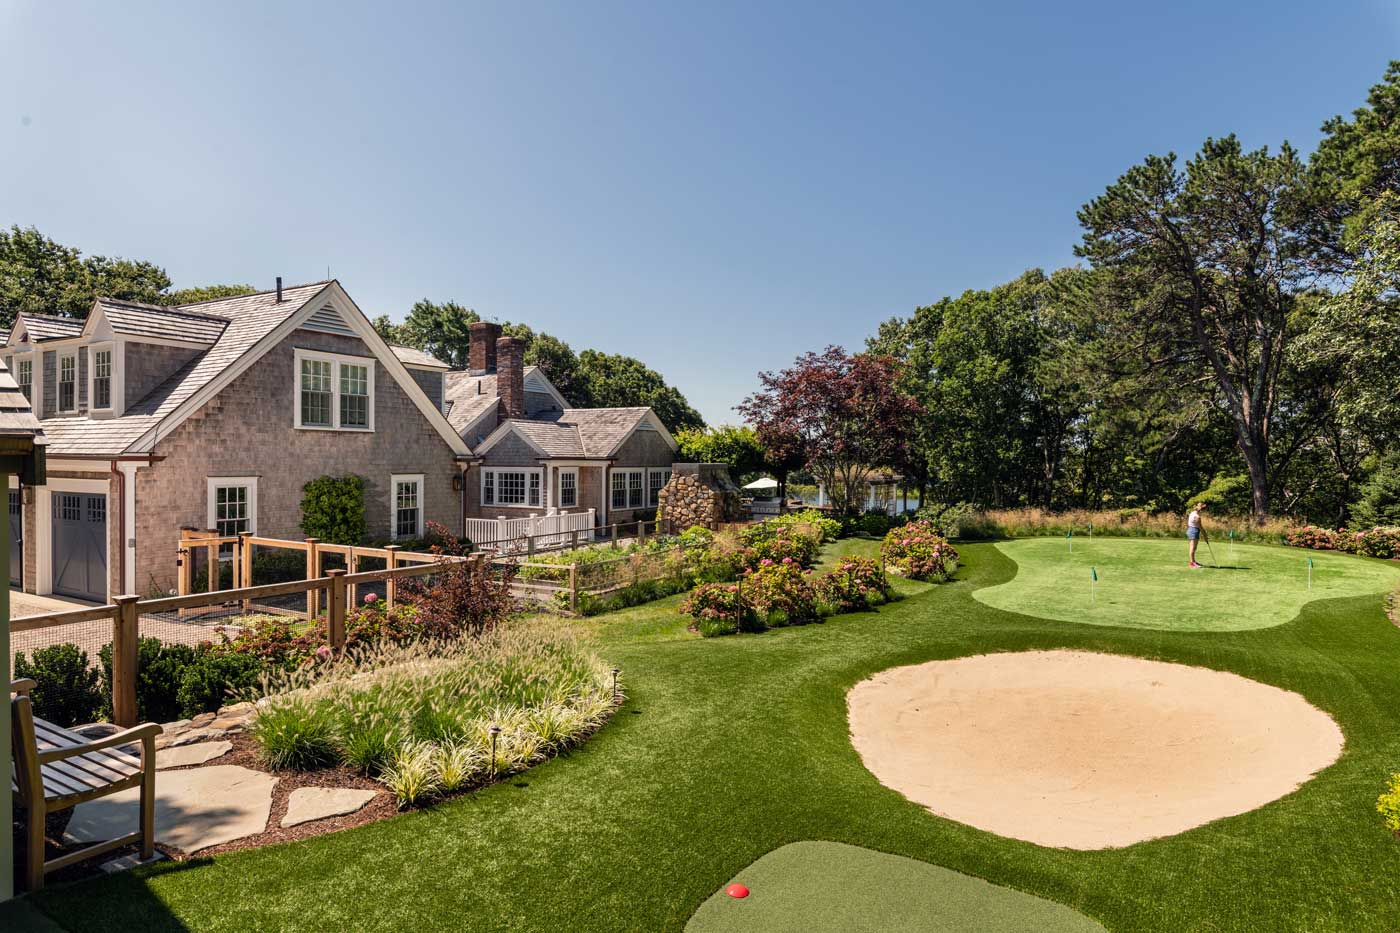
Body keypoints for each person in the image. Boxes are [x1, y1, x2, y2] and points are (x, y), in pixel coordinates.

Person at [1186, 502, 1206, 568]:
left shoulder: (1192, 513)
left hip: (1192, 530)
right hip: (1193, 531)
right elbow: (1200, 527)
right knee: (1192, 547)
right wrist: (1205, 535)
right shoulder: (1197, 517)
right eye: (1202, 509)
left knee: (1194, 548)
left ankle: (1193, 561)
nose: (1202, 510)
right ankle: (1192, 563)